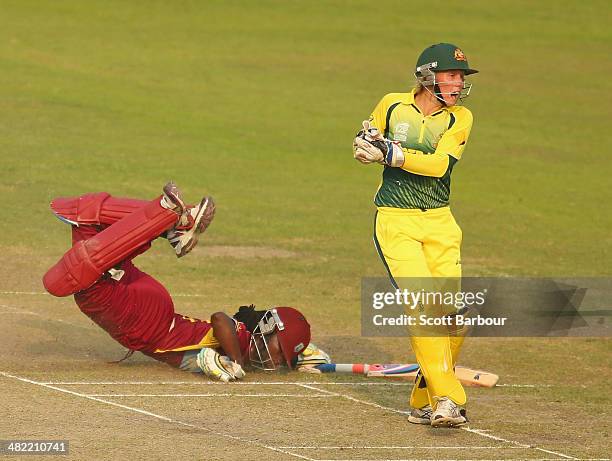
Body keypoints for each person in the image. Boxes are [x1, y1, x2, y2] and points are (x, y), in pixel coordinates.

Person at [42, 182, 311, 381]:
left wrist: (301, 357)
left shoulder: (248, 349)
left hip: (143, 315)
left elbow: (298, 345)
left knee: (86, 220)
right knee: (69, 280)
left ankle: (174, 224)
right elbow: (220, 320)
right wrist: (235, 360)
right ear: (266, 328)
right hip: (146, 324)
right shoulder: (240, 340)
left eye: (282, 360)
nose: (275, 362)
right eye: (279, 352)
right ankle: (168, 216)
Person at [352, 43, 478, 427]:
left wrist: (391, 155)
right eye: (451, 75)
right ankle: (449, 397)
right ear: (426, 76)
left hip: (440, 222)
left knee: (451, 317)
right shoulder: (392, 105)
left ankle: (424, 400)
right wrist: (364, 146)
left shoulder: (460, 118)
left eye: (461, 76)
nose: (457, 83)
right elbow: (367, 138)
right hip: (395, 220)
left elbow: (439, 165)